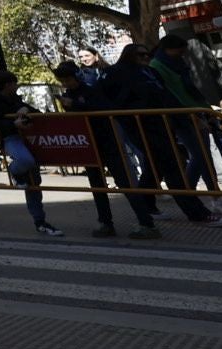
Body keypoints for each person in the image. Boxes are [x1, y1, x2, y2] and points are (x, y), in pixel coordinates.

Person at [101, 44, 222, 227]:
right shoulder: (116, 73)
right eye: (141, 55)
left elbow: (167, 96)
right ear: (129, 55)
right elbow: (105, 98)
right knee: (172, 166)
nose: (145, 58)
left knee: (156, 167)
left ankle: (147, 206)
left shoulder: (151, 73)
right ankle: (197, 213)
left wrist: (188, 116)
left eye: (147, 54)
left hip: (160, 124)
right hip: (138, 126)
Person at [53, 61, 159, 240]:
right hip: (89, 144)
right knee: (97, 185)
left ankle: (146, 223)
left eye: (68, 79)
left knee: (125, 182)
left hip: (108, 141)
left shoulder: (92, 91)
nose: (66, 83)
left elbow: (101, 109)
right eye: (63, 80)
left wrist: (76, 105)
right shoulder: (69, 95)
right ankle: (105, 223)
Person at [150, 35, 222, 212]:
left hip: (195, 112)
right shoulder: (158, 66)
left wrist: (204, 110)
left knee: (202, 156)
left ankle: (192, 194)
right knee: (201, 156)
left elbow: (191, 88)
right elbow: (171, 95)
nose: (183, 53)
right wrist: (193, 115)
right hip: (182, 116)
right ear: (169, 49)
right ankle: (205, 196)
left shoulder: (178, 64)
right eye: (180, 50)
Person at [0, 71, 63, 237]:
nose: (16, 86)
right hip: (11, 138)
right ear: (7, 85)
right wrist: (14, 124)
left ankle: (40, 221)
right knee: (26, 162)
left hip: (27, 139)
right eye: (14, 83)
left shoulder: (15, 99)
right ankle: (14, 171)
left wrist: (27, 109)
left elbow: (35, 113)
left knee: (33, 183)